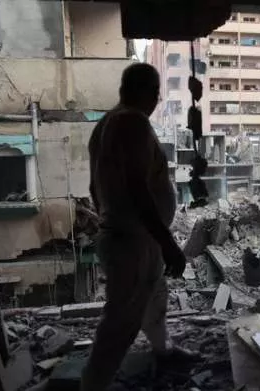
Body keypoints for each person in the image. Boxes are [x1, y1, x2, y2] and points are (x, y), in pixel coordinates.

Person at [81, 63, 189, 391]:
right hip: (133, 241)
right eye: (156, 94)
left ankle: (163, 349)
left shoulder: (105, 124)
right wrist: (168, 243)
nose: (156, 101)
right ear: (146, 92)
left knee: (156, 296)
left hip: (134, 236)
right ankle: (93, 385)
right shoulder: (132, 122)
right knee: (121, 323)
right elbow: (137, 188)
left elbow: (93, 187)